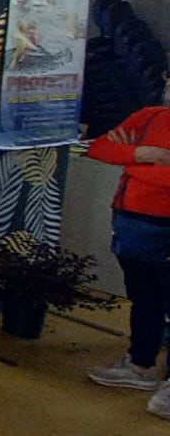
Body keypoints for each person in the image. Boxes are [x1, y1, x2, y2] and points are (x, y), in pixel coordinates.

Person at [84, 82, 170, 421]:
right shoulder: (150, 116)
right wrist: (143, 154)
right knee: (145, 297)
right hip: (133, 224)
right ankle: (140, 365)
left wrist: (131, 161)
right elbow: (99, 148)